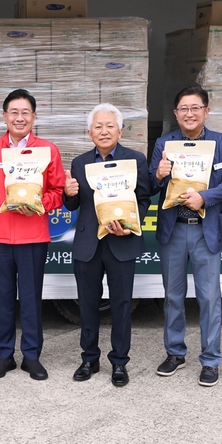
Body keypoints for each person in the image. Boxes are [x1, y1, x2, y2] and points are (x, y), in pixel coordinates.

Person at [0, 89, 65, 381]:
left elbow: (57, 192)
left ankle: (32, 356)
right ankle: (4, 355)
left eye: (25, 112)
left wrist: (39, 206)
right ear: (4, 117)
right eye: (14, 112)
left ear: (34, 117)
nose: (19, 117)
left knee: (31, 298)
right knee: (1, 298)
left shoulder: (47, 150)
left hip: (33, 236)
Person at [149, 86, 222, 387]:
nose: (189, 113)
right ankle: (175, 353)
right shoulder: (164, 143)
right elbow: (149, 185)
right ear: (176, 114)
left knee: (210, 298)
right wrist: (159, 175)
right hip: (174, 228)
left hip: (206, 229)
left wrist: (205, 196)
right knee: (173, 296)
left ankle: (211, 360)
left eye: (195, 107)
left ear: (206, 111)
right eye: (183, 108)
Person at [63, 103, 150, 387]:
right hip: (89, 243)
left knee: (121, 305)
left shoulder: (135, 160)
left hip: (121, 242)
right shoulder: (79, 163)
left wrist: (130, 225)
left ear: (120, 130)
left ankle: (120, 362)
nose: (104, 131)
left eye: (109, 126)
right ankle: (89, 358)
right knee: (88, 304)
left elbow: (144, 199)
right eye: (98, 127)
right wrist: (69, 194)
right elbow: (74, 204)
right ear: (90, 133)